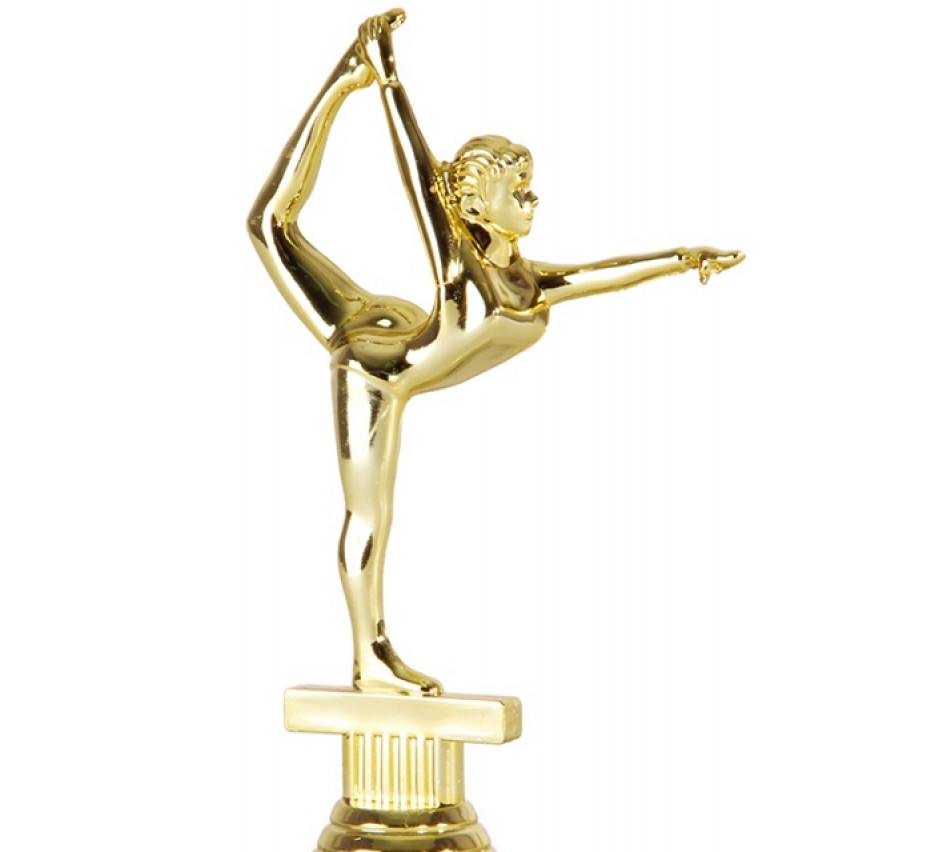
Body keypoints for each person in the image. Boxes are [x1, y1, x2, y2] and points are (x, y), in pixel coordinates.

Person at [248, 10, 744, 696]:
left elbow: (607, 273)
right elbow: (418, 174)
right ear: (479, 207)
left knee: (271, 228)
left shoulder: (527, 279)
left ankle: (346, 73)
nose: (533, 197)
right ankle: (370, 657)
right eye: (519, 189)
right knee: (369, 513)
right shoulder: (461, 268)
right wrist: (388, 79)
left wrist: (685, 258)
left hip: (393, 321)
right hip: (374, 367)